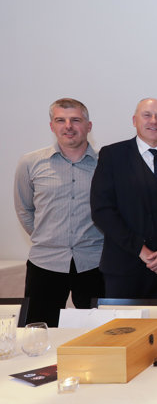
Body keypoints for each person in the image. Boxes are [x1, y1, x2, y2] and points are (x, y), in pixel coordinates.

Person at [14, 98, 105, 326]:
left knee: (99, 334)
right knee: (38, 331)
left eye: (75, 120)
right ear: (51, 126)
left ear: (89, 126)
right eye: (60, 120)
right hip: (45, 263)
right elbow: (24, 210)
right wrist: (49, 238)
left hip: (94, 263)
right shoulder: (30, 163)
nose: (68, 126)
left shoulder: (105, 164)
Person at [91, 98, 157, 299]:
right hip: (123, 268)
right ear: (134, 120)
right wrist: (140, 250)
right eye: (147, 115)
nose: (153, 121)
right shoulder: (112, 156)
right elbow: (102, 211)